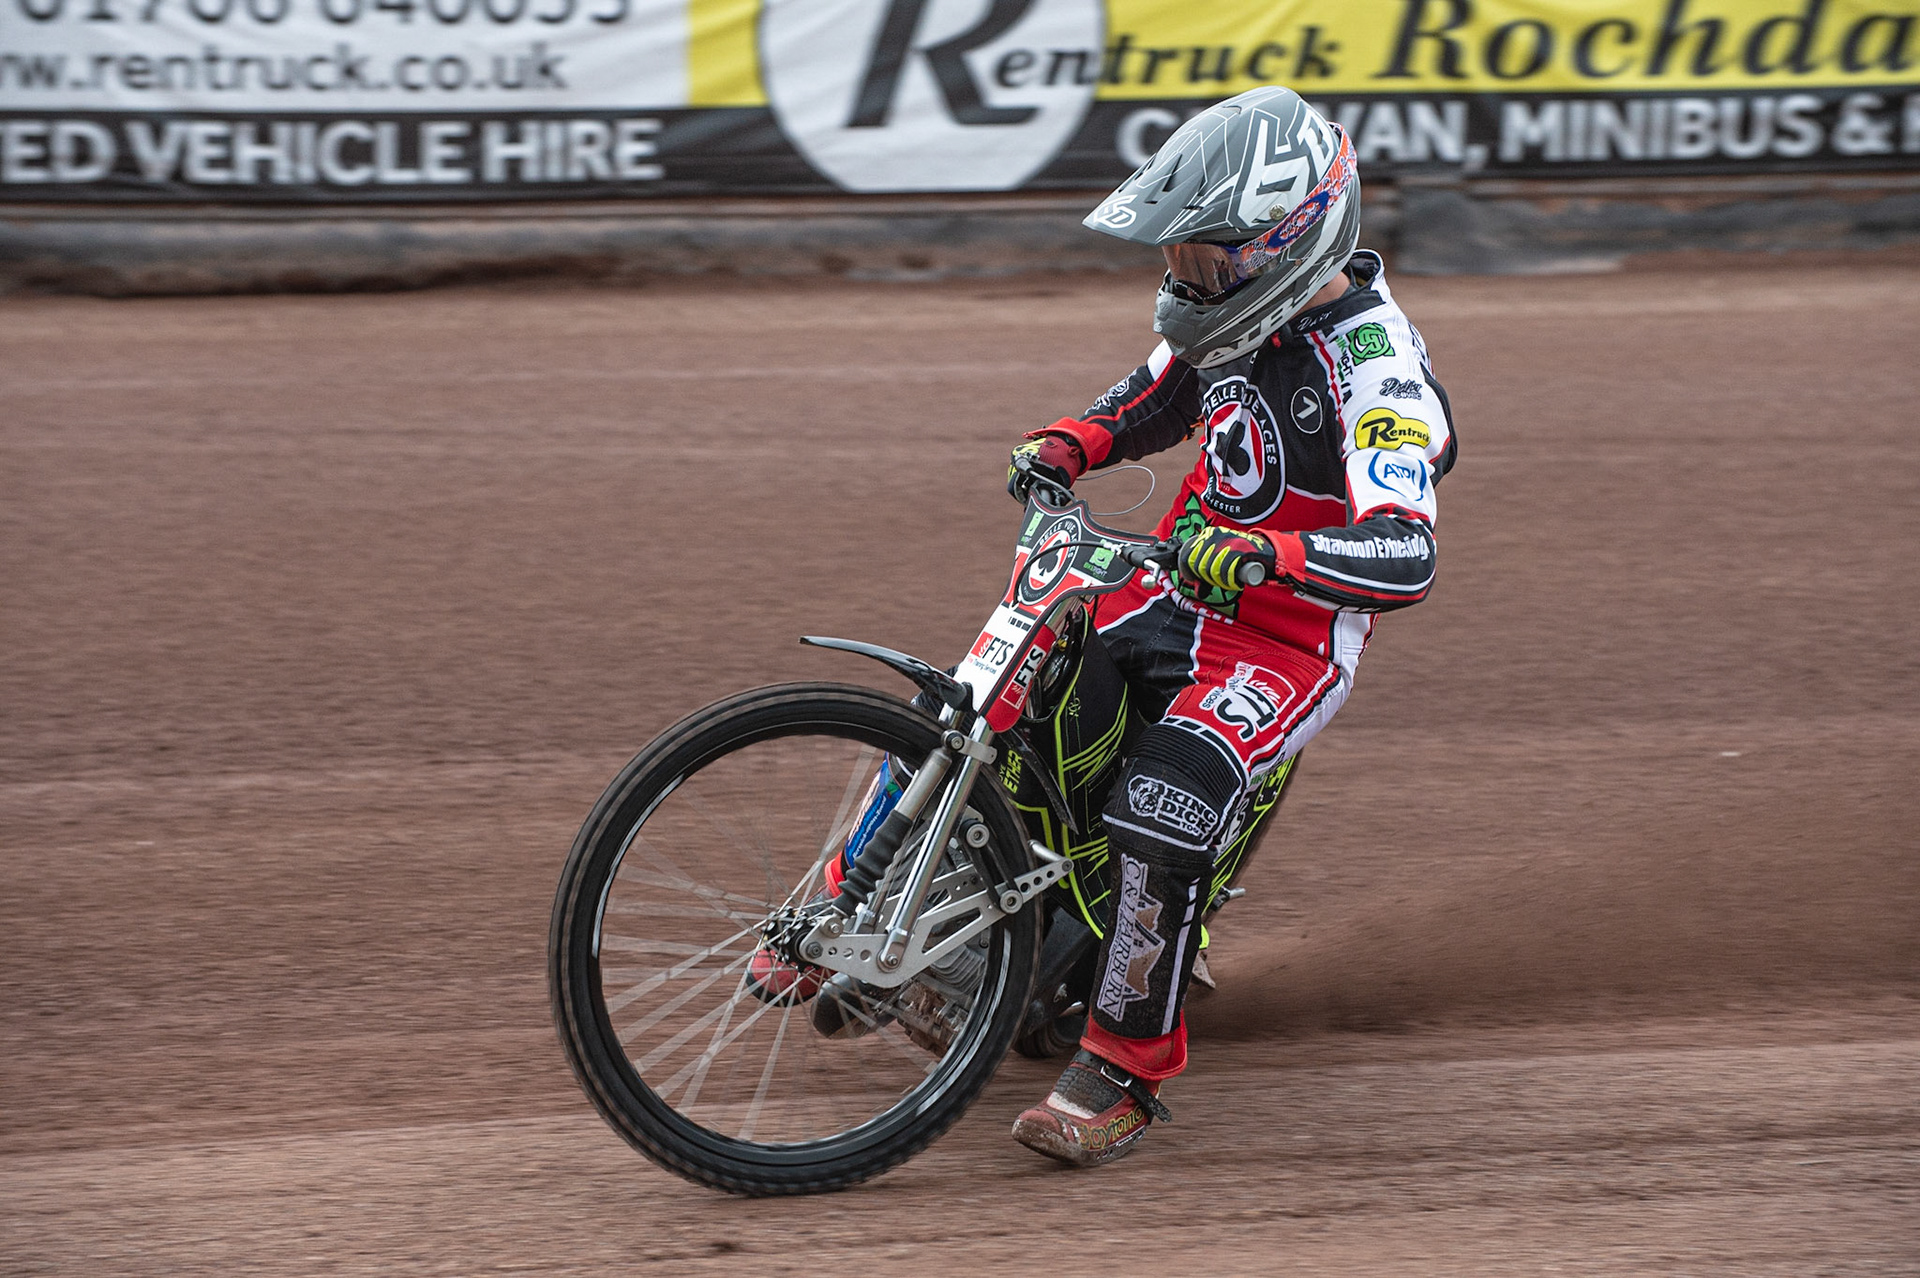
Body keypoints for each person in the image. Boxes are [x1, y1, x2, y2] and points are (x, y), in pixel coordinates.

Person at [1002, 85, 1458, 1167]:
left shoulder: (1375, 366)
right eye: (1176, 260)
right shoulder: (1231, 319)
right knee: (1011, 682)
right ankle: (877, 905)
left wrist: (1275, 556)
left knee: (1163, 800)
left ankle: (1122, 1072)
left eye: (1201, 260)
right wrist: (1068, 443)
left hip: (1287, 640)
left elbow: (1411, 552)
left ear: (1286, 240)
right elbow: (1158, 396)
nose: (1179, 281)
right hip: (1172, 580)